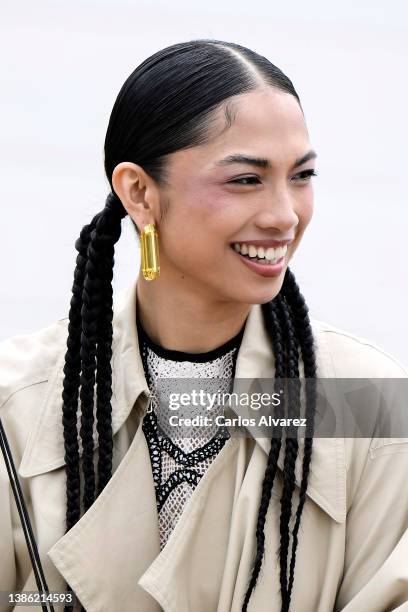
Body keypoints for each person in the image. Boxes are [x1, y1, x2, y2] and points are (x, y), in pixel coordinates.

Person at [1, 38, 408, 612]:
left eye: (302, 175)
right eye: (246, 179)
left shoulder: (365, 403)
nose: (285, 215)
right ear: (140, 192)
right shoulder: (18, 405)